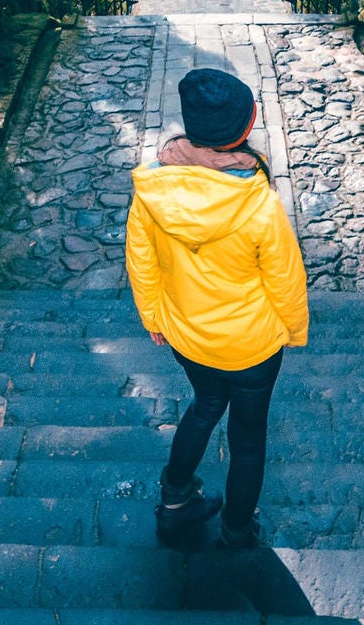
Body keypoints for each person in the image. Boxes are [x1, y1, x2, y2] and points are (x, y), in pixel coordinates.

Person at [125, 66, 309, 547]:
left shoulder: (153, 192)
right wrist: (293, 329)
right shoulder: (258, 203)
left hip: (187, 336)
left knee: (205, 405)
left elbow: (141, 261)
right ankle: (236, 528)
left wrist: (153, 317)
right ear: (243, 130)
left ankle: (175, 501)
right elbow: (285, 278)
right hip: (253, 346)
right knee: (248, 439)